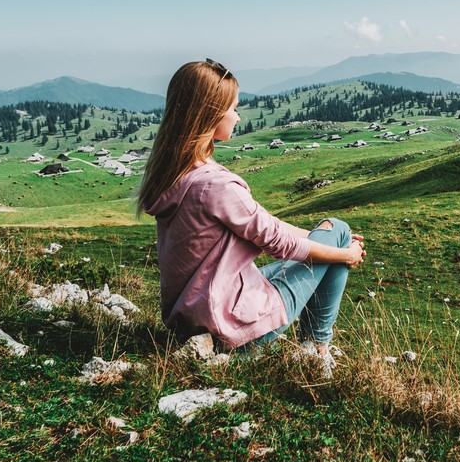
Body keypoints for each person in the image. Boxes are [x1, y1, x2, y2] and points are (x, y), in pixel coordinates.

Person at [138, 60, 365, 372]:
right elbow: (278, 243)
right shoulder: (215, 186)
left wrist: (318, 236)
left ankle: (312, 344)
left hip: (193, 317)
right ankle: (314, 352)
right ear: (209, 113)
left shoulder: (173, 175)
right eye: (233, 107)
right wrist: (344, 254)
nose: (237, 115)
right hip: (233, 325)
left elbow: (267, 226)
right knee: (339, 229)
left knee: (330, 238)